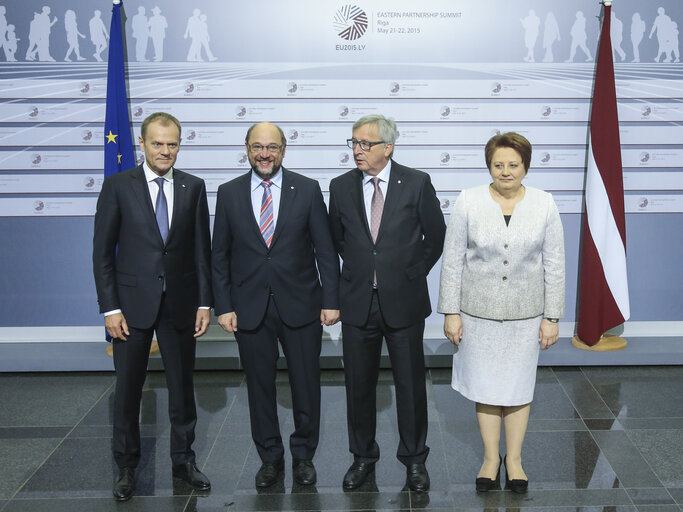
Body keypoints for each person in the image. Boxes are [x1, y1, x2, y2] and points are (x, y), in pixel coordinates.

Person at [211, 122, 340, 488]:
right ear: (247, 149)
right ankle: (269, 458)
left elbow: (325, 252)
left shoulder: (308, 189)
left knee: (306, 385)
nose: (264, 154)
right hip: (248, 308)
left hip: (301, 306)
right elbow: (219, 255)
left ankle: (303, 456)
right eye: (257, 147)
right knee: (259, 388)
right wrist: (223, 305)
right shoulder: (229, 192)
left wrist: (331, 300)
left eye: (271, 147)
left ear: (283, 150)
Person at [93, 112, 213, 501]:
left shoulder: (194, 187)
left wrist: (204, 302)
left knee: (182, 388)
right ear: (142, 144)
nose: (165, 151)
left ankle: (184, 460)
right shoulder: (117, 187)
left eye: (172, 143)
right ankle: (126, 467)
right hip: (130, 308)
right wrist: (110, 308)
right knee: (128, 391)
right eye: (158, 143)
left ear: (180, 145)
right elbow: (102, 254)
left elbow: (201, 252)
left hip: (179, 304)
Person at [437, 132, 565, 494]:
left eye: (513, 165)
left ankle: (515, 460)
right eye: (498, 165)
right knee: (486, 388)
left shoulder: (544, 203)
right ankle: (491, 458)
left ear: (526, 166)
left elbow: (554, 264)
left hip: (527, 315)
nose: (505, 171)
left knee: (518, 388)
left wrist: (552, 317)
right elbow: (453, 261)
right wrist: (450, 312)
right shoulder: (468, 201)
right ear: (489, 166)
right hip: (477, 314)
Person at [328, 115, 446, 492]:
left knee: (410, 386)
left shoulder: (416, 182)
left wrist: (411, 273)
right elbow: (338, 240)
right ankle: (362, 457)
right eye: (354, 143)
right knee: (358, 386)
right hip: (358, 300)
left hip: (404, 302)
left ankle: (414, 461)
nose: (357, 151)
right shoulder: (341, 186)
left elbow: (435, 235)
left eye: (365, 144)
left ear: (387, 147)